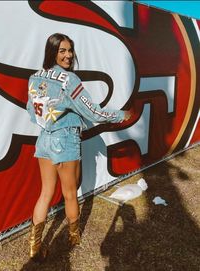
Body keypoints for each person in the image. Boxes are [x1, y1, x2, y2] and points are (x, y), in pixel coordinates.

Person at [26, 33, 131, 262]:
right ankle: (74, 239)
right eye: (62, 50)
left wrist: (50, 122)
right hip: (65, 140)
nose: (68, 55)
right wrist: (121, 115)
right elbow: (93, 112)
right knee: (70, 194)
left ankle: (34, 248)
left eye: (70, 50)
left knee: (45, 193)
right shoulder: (69, 79)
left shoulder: (35, 78)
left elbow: (31, 111)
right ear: (52, 51)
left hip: (44, 139)